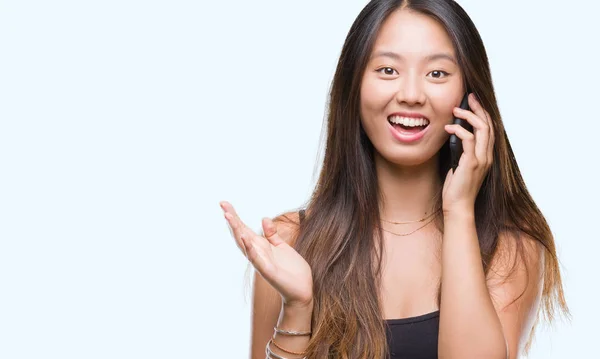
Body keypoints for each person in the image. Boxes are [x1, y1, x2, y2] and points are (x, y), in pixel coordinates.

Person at [220, 0, 569, 358]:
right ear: (353, 85)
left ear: (470, 97)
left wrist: (460, 210)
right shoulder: (289, 244)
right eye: (387, 70)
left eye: (437, 74)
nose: (411, 95)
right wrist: (297, 305)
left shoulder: (509, 249)